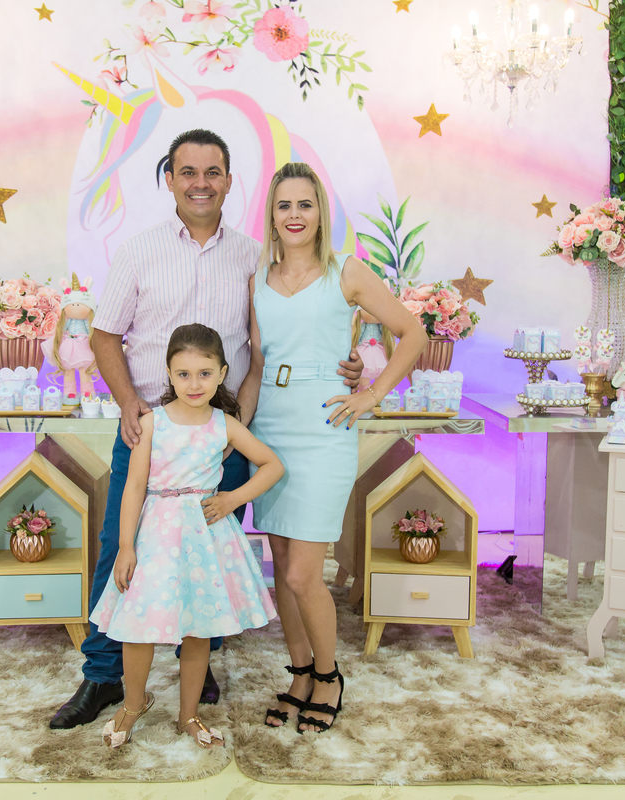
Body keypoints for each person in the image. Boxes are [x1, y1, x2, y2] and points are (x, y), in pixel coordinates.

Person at [49, 129, 364, 729]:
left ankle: (199, 662)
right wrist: (127, 404)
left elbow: (281, 337)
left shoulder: (254, 259)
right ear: (169, 179)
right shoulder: (139, 251)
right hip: (150, 433)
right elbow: (104, 335)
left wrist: (343, 366)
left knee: (208, 556)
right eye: (188, 172)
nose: (200, 183)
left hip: (222, 439)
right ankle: (103, 676)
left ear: (228, 181)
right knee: (121, 548)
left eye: (212, 172)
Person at [240, 161, 428, 734]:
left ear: (321, 212)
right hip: (271, 426)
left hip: (324, 426)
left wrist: (370, 393)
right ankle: (299, 673)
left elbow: (413, 333)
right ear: (271, 216)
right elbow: (256, 367)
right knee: (280, 566)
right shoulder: (256, 278)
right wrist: (235, 434)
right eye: (284, 205)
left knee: (304, 573)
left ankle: (329, 675)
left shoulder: (346, 271)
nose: (295, 215)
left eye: (305, 204)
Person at [92, 324, 282, 748]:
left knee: (199, 627)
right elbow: (134, 486)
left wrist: (233, 498)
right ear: (168, 373)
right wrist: (125, 546)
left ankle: (188, 715)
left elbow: (272, 465)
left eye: (204, 374)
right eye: (183, 374)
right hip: (155, 535)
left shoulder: (224, 424)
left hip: (204, 538)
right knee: (138, 624)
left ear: (222, 373)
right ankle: (132, 705)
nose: (194, 384)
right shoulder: (151, 423)